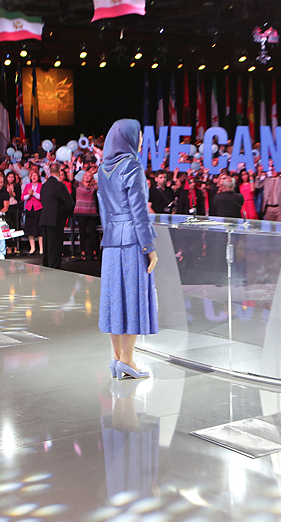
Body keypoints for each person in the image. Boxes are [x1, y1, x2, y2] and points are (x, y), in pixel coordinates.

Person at [97, 119, 159, 381]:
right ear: (130, 137)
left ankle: (117, 359)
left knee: (115, 300)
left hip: (111, 243)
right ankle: (128, 360)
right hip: (132, 241)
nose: (142, 140)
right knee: (131, 299)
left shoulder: (103, 169)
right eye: (140, 135)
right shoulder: (132, 166)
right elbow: (139, 212)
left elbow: (103, 211)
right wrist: (150, 247)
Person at [40, 162, 76, 269]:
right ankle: (54, 267)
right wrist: (67, 215)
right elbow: (70, 203)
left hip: (45, 219)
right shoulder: (60, 186)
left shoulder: (44, 186)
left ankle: (46, 265)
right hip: (56, 220)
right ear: (59, 171)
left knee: (47, 245)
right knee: (55, 246)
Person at [74, 171, 101, 259]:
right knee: (82, 232)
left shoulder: (94, 187)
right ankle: (83, 251)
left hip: (91, 212)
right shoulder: (78, 185)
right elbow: (71, 179)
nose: (87, 177)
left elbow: (103, 185)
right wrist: (71, 169)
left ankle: (94, 251)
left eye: (89, 176)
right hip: (80, 212)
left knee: (93, 232)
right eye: (86, 175)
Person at [22, 167, 44, 255]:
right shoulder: (27, 186)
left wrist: (34, 194)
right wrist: (29, 195)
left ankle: (41, 249)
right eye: (32, 175)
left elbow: (42, 197)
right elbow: (23, 198)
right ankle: (32, 248)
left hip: (38, 209)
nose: (34, 177)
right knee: (30, 229)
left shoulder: (41, 186)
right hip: (29, 209)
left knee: (39, 230)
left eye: (35, 175)